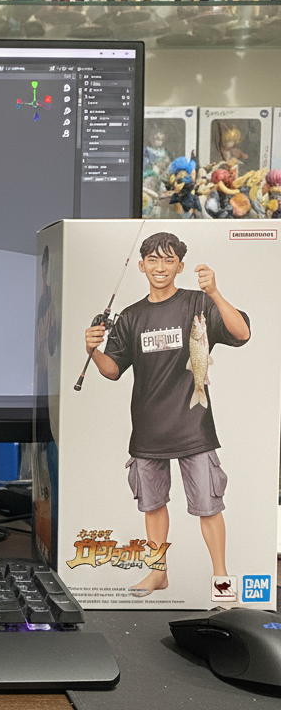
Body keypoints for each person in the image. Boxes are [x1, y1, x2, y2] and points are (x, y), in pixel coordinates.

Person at [84, 231, 250, 598]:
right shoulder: (131, 316)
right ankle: (158, 573)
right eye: (153, 260)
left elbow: (241, 334)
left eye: (169, 260)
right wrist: (93, 350)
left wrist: (214, 293)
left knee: (209, 505)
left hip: (194, 426)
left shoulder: (198, 304)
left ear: (180, 266)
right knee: (153, 505)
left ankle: (221, 579)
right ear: (141, 266)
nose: (161, 267)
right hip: (148, 428)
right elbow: (113, 370)